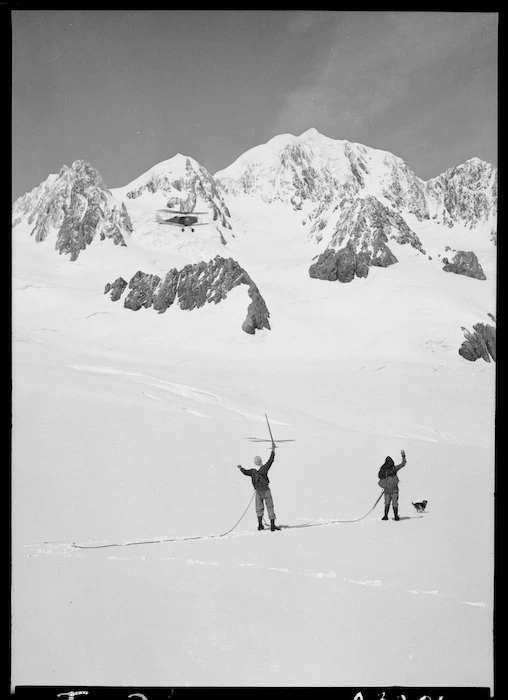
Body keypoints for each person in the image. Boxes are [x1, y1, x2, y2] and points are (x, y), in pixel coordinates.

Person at [237, 445, 280, 531]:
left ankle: (260, 525)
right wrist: (273, 450)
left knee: (259, 508)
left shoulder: (252, 471)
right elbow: (270, 461)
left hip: (258, 492)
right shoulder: (264, 468)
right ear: (260, 461)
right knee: (270, 507)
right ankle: (272, 525)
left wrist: (240, 468)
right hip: (266, 490)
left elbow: (245, 472)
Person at [378, 449, 407, 521]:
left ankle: (385, 516)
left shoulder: (382, 470)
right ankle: (396, 516)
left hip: (387, 491)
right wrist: (403, 456)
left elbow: (380, 481)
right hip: (394, 490)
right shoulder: (394, 468)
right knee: (395, 503)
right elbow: (403, 464)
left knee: (387, 503)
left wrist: (385, 485)